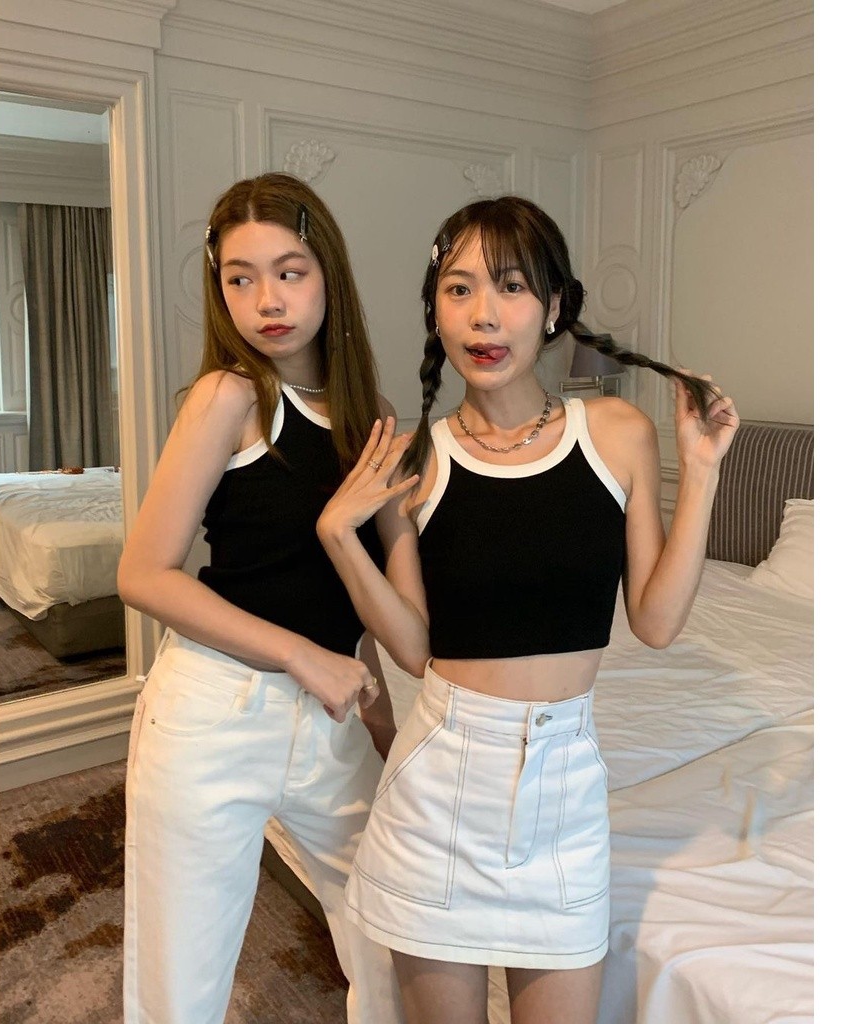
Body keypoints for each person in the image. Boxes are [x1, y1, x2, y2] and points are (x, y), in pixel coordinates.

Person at [315, 195, 739, 1024]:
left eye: (510, 287)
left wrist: (703, 471)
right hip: (439, 786)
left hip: (566, 787)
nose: (484, 314)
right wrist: (339, 536)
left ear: (551, 309)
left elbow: (656, 622)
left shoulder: (616, 431)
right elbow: (414, 649)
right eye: (460, 289)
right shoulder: (418, 461)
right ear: (436, 311)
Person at [118, 172, 405, 1024]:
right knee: (182, 982)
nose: (266, 300)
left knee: (395, 935)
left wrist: (382, 716)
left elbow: (361, 590)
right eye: (239, 279)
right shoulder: (231, 398)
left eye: (289, 272)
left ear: (328, 275)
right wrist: (300, 654)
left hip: (333, 716)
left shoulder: (371, 414)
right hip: (217, 711)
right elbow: (144, 573)